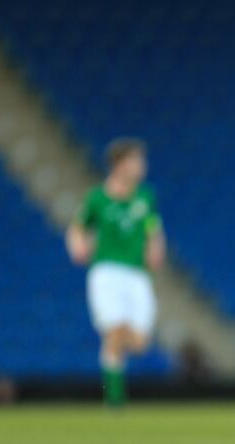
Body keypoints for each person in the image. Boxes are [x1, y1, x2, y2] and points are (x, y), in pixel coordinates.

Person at [66, 138, 165, 407]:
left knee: (141, 342)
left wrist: (156, 247)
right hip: (107, 271)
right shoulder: (97, 198)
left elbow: (152, 228)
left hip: (137, 274)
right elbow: (77, 227)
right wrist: (77, 246)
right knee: (115, 330)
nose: (141, 166)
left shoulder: (145, 197)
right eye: (136, 161)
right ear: (120, 165)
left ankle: (113, 386)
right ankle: (114, 399)